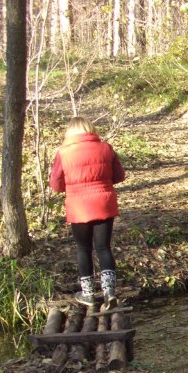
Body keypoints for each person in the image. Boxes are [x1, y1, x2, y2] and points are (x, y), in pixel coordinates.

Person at [49, 117, 126, 310]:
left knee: (83, 249)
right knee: (103, 247)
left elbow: (56, 185)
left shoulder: (64, 152)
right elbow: (119, 175)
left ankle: (88, 294)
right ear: (90, 130)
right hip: (104, 203)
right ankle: (109, 292)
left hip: (78, 206)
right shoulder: (105, 148)